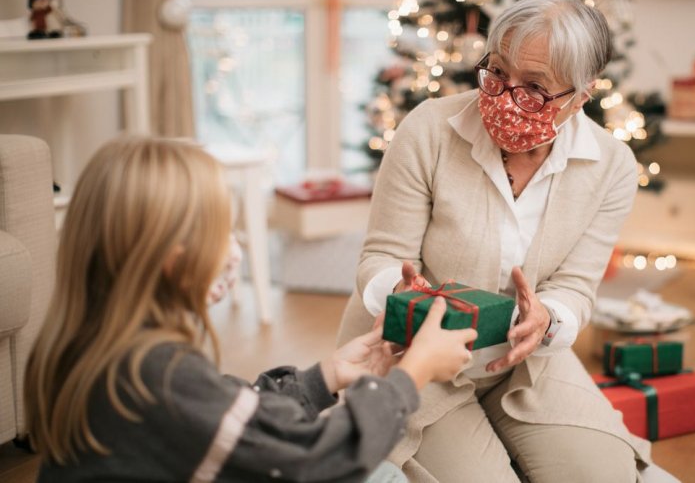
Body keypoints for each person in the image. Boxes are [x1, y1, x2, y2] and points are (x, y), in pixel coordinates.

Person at [24, 138, 476, 482]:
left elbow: (230, 417)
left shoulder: (98, 347)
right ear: (174, 260)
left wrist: (327, 376)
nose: (235, 247)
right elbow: (315, 461)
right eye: (224, 232)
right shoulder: (159, 375)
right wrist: (411, 375)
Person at [337, 0, 650, 483]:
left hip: (526, 364)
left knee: (603, 475)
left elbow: (576, 283)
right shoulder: (428, 130)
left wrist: (548, 318)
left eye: (534, 88)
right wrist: (399, 297)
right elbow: (380, 255)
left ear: (579, 97)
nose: (505, 97)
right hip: (412, 358)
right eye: (498, 72)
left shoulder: (611, 166)